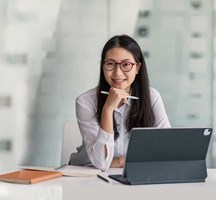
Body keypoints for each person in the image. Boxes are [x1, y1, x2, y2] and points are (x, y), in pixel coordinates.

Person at [69, 34, 171, 171]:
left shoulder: (152, 97)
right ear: (103, 66)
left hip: (138, 172)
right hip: (89, 174)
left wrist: (120, 161)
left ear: (137, 68)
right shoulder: (85, 102)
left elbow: (167, 150)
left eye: (126, 65)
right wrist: (107, 109)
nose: (117, 73)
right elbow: (101, 163)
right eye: (110, 64)